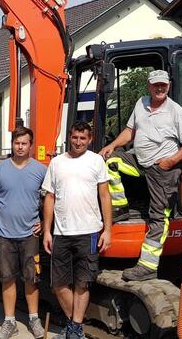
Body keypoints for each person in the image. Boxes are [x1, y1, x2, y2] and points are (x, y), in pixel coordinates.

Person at [99, 69, 182, 282]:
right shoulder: (141, 104)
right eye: (156, 85)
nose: (160, 88)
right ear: (149, 86)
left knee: (158, 216)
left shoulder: (175, 111)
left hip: (163, 170)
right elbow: (130, 131)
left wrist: (170, 161)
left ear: (168, 86)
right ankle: (120, 208)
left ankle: (148, 265)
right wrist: (112, 145)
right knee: (110, 162)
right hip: (140, 163)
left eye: (163, 85)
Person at [42, 121, 112, 339]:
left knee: (83, 283)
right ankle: (76, 327)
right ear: (69, 137)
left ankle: (74, 329)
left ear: (90, 139)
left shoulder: (96, 161)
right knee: (59, 284)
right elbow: (50, 197)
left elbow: (105, 196)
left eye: (83, 138)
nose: (78, 142)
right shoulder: (57, 163)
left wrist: (107, 230)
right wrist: (47, 230)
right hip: (61, 232)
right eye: (75, 137)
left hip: (89, 231)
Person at [0, 127, 47, 339]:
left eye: (24, 143)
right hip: (5, 235)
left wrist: (46, 223)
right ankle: (9, 321)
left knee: (31, 279)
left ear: (31, 145)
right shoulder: (0, 170)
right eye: (17, 143)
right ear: (12, 144)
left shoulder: (40, 170)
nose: (20, 147)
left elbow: (50, 199)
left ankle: (33, 319)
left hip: (30, 235)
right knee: (8, 279)